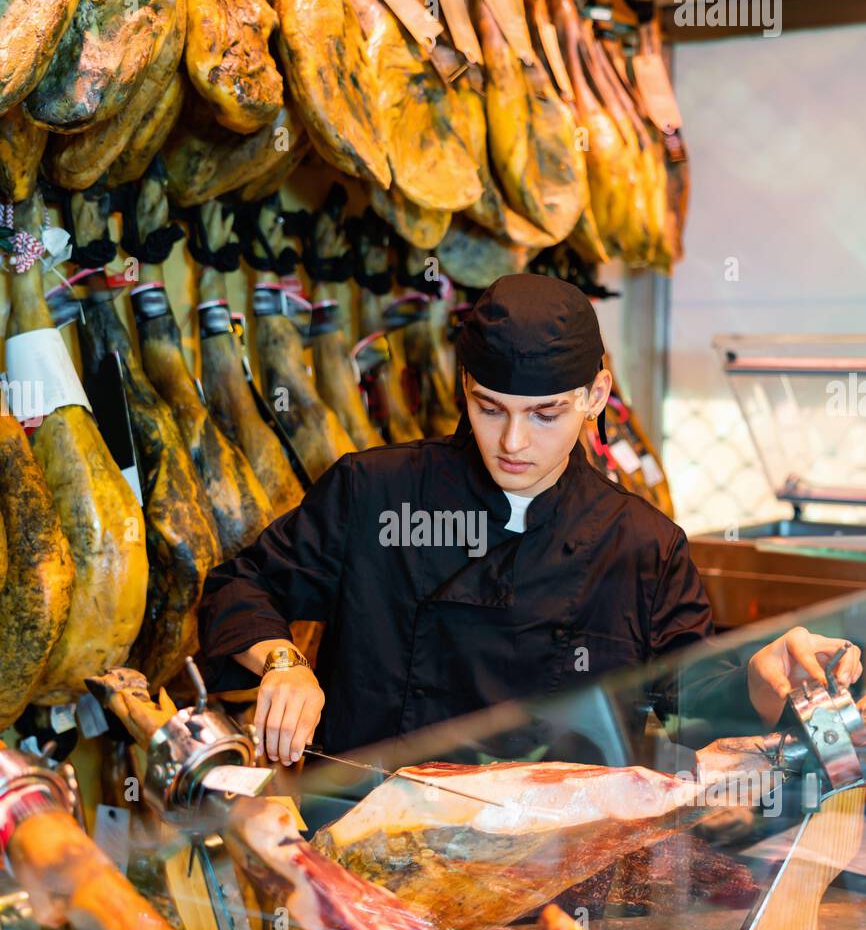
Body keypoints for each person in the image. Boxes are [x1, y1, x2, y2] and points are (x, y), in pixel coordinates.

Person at [197, 274, 861, 766]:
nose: (513, 442)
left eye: (545, 414)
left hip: (554, 869)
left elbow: (684, 697)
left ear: (595, 397)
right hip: (367, 845)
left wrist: (762, 670)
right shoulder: (376, 493)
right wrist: (284, 661)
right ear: (466, 391)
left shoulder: (641, 546)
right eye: (491, 408)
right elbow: (238, 588)